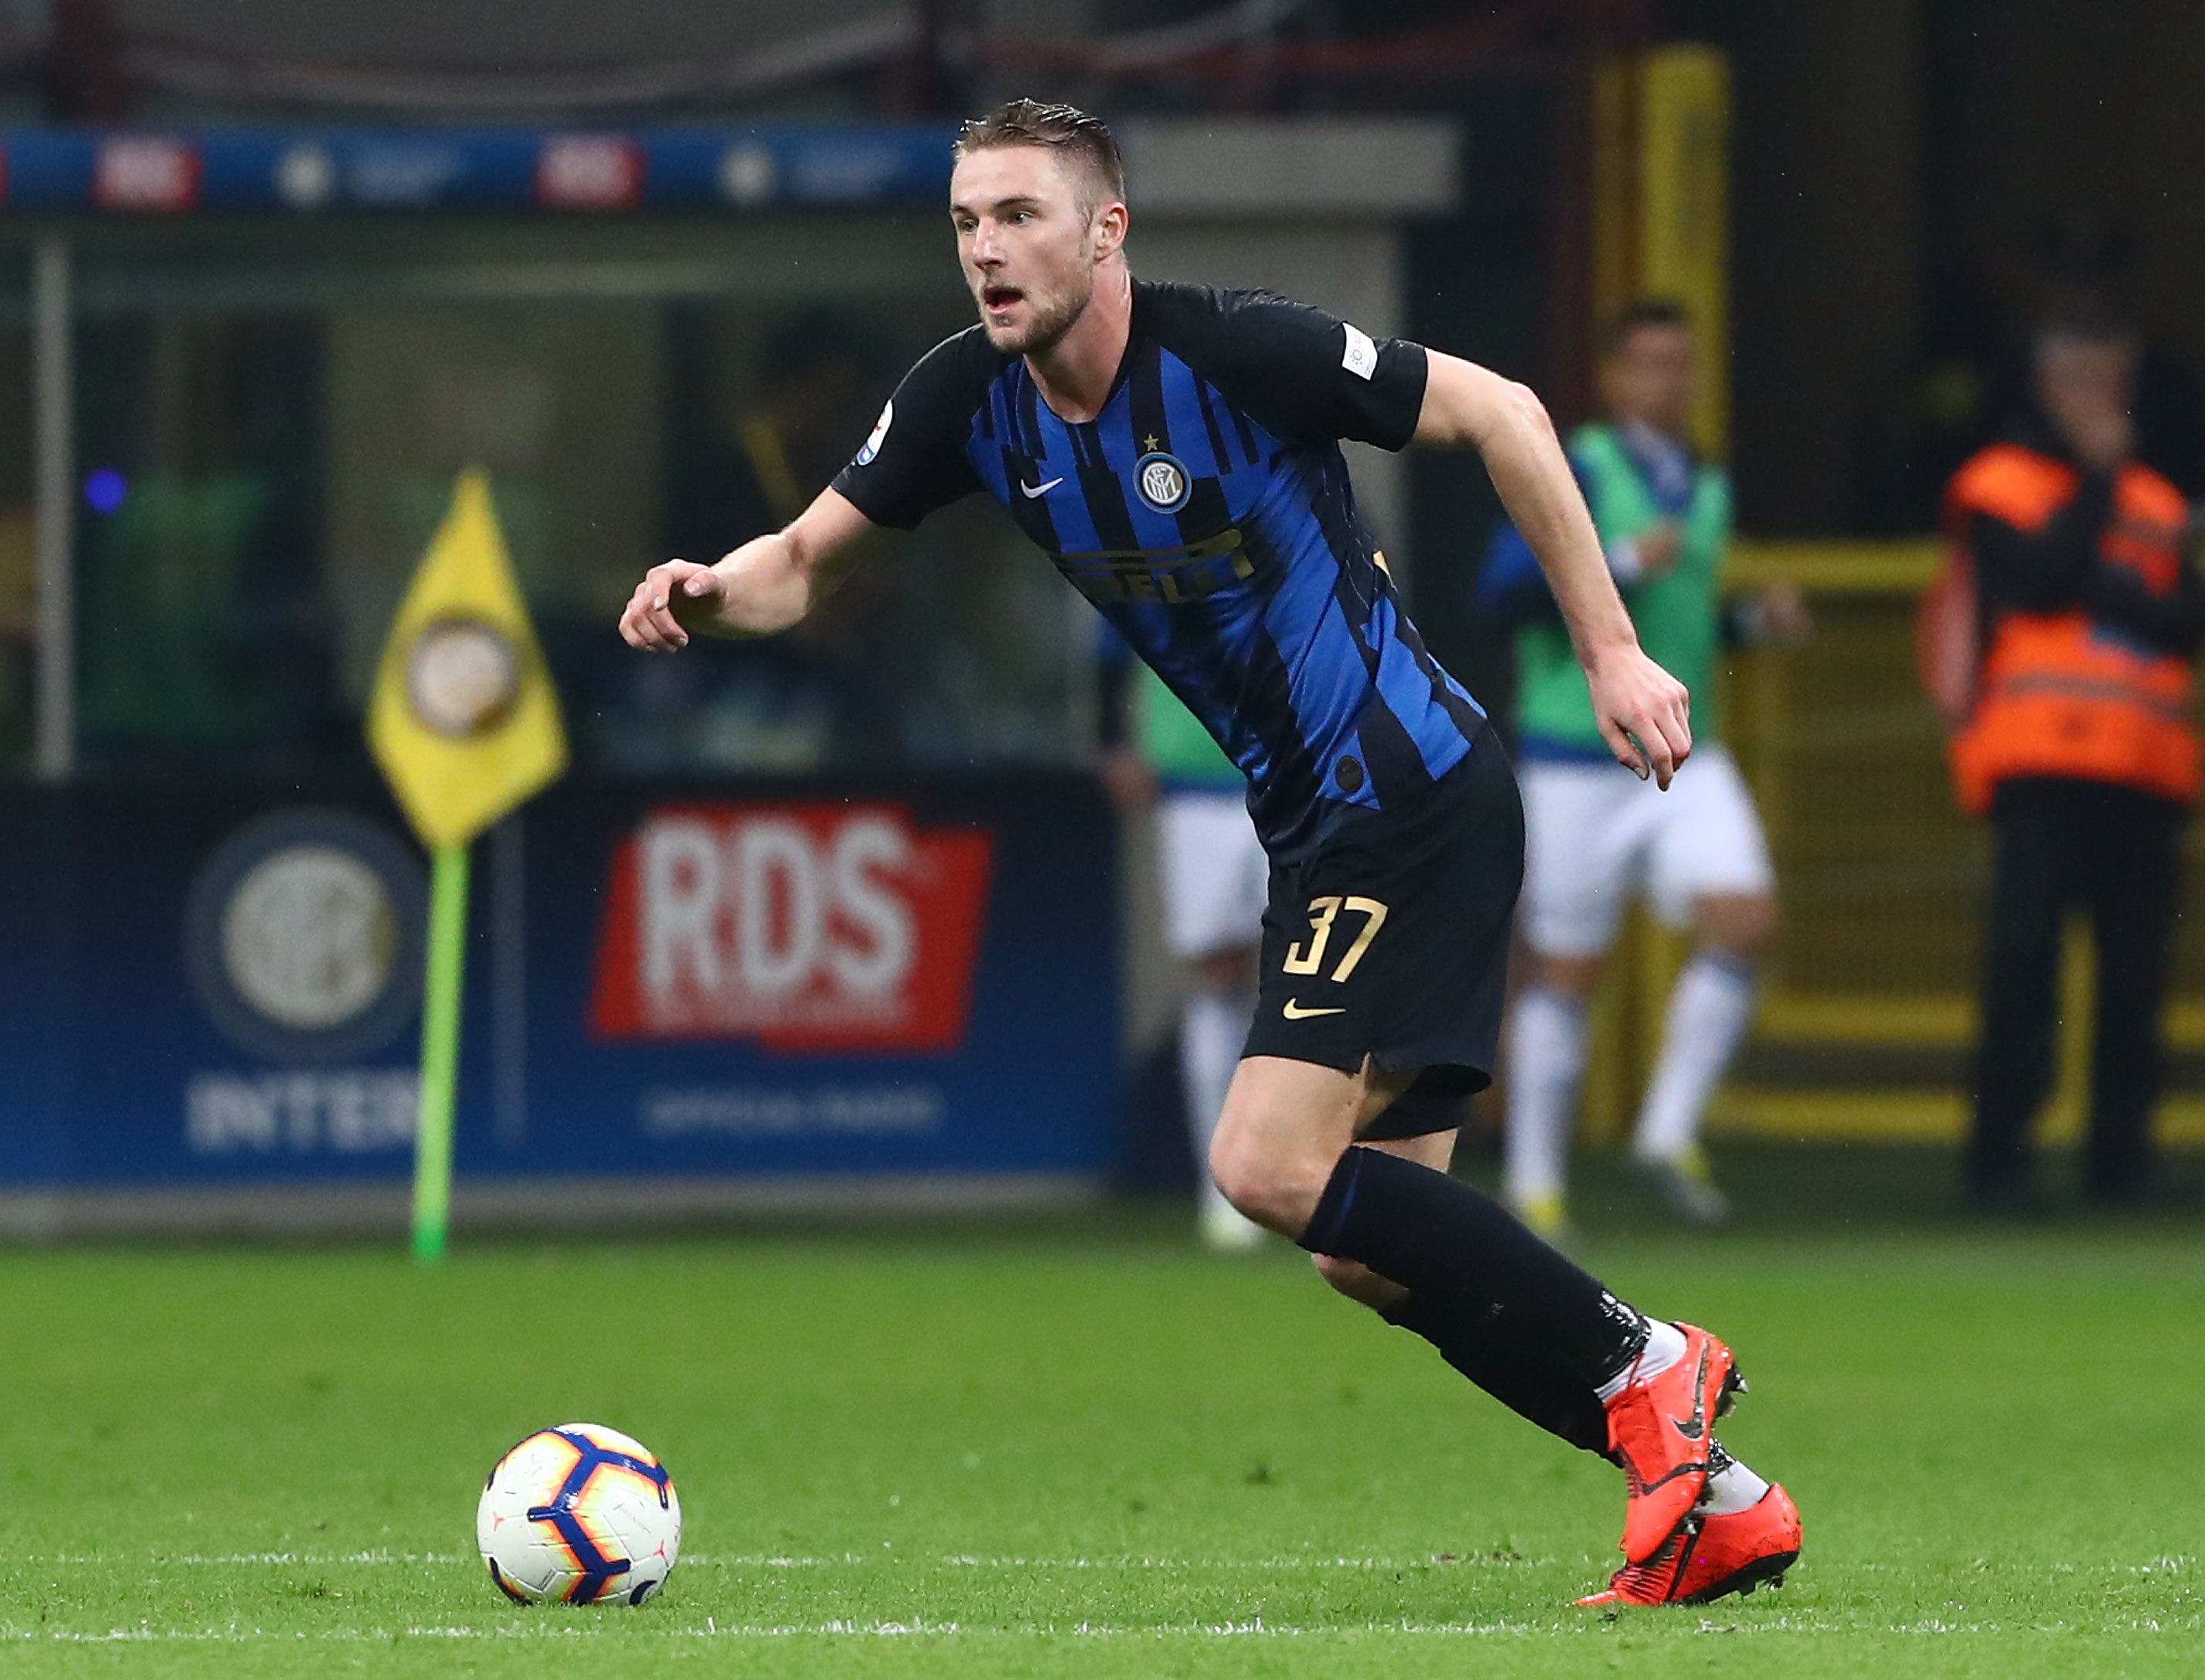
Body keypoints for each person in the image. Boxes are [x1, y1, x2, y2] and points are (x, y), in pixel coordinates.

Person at [620, 99, 1800, 1607]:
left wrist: (1617, 652)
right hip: (1332, 825)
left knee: (1260, 1161)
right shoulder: (963, 401)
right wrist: (705, 592)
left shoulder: (1237, 348)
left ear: (1106, 228)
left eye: (1022, 216)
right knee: (1368, 1250)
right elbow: (795, 565)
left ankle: (1655, 1365)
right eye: (970, 222)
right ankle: (1719, 1496)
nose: (989, 249)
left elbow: (1503, 409)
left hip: (1406, 790)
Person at [1478, 300, 1808, 1235]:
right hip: (1577, 753)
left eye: (1683, 363)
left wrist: (1752, 625)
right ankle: (1537, 1182)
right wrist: (1618, 557)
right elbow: (1498, 593)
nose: (1670, 382)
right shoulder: (1575, 464)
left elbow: (1681, 626)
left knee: (1746, 919)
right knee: (1568, 970)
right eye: (1651, 364)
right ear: (1615, 377)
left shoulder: (1706, 482)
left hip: (1682, 745)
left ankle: (1667, 1128)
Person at [1934, 316, 2203, 1213]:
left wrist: (2112, 576)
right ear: (2046, 385)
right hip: (2040, 763)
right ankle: (1998, 1162)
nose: (2103, 398)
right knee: (2023, 965)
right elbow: (2043, 579)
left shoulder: (2161, 501)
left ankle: (2118, 1164)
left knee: (2136, 974)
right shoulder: (1999, 482)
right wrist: (2097, 483)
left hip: (2146, 767)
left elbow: (2183, 619)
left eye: (2114, 378)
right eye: (2084, 378)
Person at [1098, 644, 1271, 1250]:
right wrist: (1114, 738)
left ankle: (1310, 1184)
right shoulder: (1155, 547)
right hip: (1196, 770)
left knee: (1313, 973)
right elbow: (1109, 633)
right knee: (1219, 975)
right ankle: (1223, 1188)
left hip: (1299, 768)